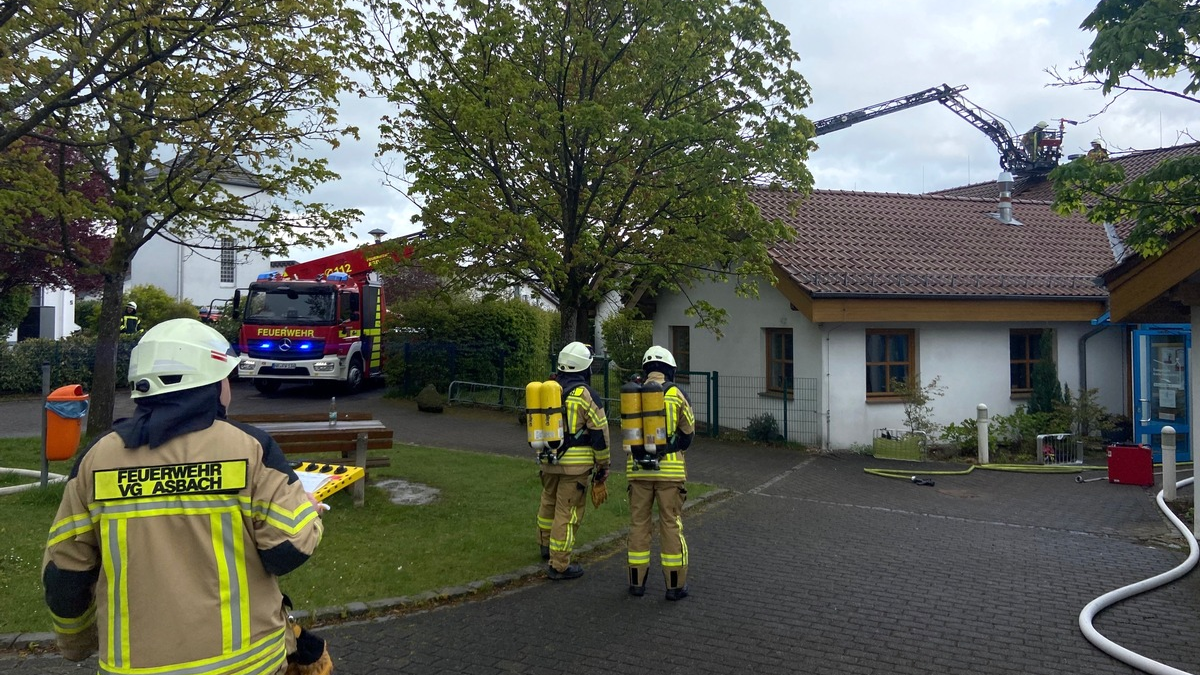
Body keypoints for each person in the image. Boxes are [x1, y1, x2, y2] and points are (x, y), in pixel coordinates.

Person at [42, 318, 330, 675]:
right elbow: (287, 549)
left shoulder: (97, 459)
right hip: (244, 663)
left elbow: (64, 574)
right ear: (210, 383)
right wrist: (308, 511)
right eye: (226, 378)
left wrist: (76, 645)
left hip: (132, 667)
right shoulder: (249, 448)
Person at [536, 341, 610, 580]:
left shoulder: (550, 389)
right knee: (566, 513)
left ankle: (544, 546)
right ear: (584, 368)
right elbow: (600, 434)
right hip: (574, 468)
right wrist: (603, 465)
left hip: (548, 460)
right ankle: (559, 565)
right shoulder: (585, 395)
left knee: (548, 503)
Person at [626, 345, 696, 600]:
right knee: (670, 524)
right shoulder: (676, 394)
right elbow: (688, 435)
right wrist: (669, 446)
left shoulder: (633, 395)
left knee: (638, 524)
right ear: (669, 369)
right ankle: (675, 586)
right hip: (669, 474)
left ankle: (636, 584)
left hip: (638, 473)